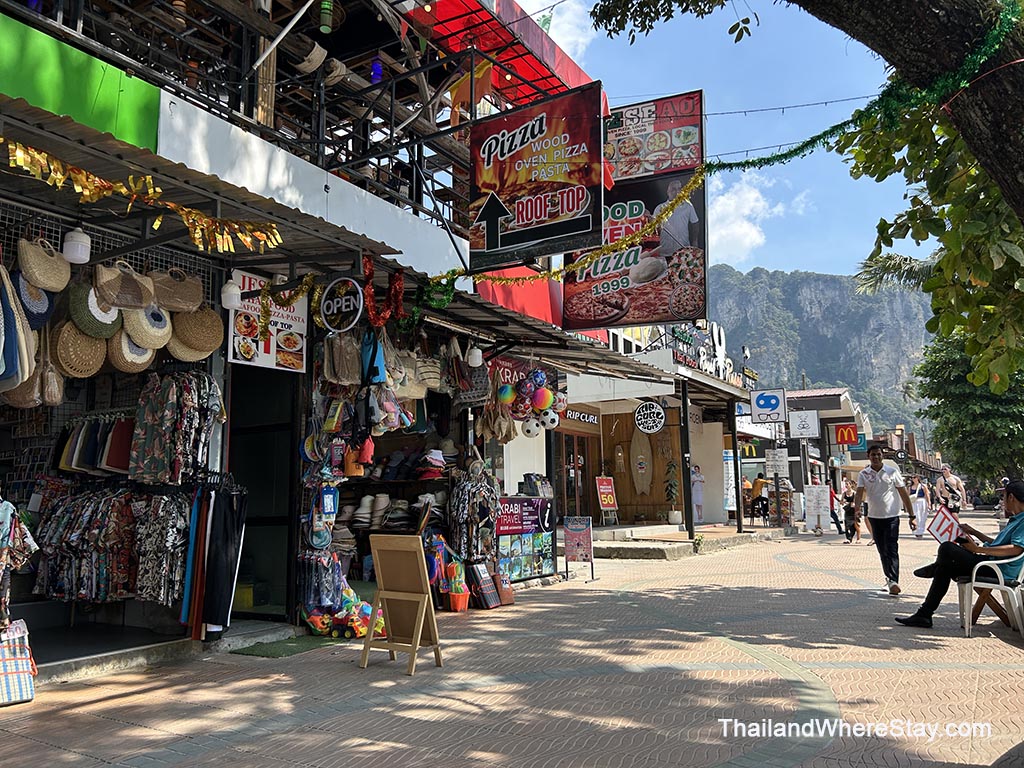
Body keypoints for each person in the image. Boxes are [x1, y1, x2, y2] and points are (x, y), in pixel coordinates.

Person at [896, 479, 1024, 628]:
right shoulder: (1015, 520)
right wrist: (974, 532)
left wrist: (978, 549)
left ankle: (934, 569)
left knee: (947, 548)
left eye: (1003, 497)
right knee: (945, 567)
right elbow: (998, 544)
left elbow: (1016, 549)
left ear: (1011, 497)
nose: (1002, 502)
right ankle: (924, 614)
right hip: (991, 563)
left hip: (998, 570)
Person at [854, 445, 915, 595]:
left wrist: (912, 515)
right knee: (882, 550)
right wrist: (857, 510)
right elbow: (859, 493)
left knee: (892, 548)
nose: (876, 457)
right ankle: (889, 578)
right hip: (875, 517)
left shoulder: (892, 472)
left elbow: (903, 493)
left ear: (883, 456)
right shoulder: (864, 474)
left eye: (879, 454)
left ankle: (894, 580)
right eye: (873, 455)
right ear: (868, 456)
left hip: (892, 516)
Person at [653, 178, 700, 255]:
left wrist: (695, 241)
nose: (677, 191)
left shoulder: (688, 206)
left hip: (683, 251)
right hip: (665, 251)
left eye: (679, 188)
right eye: (673, 189)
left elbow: (695, 223)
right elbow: (655, 229)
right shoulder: (659, 208)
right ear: (668, 192)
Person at [841, 479, 860, 543]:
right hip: (847, 511)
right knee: (847, 525)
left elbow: (856, 502)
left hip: (853, 511)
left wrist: (854, 505)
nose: (846, 486)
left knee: (854, 525)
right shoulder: (844, 493)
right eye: (845, 484)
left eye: (847, 484)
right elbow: (841, 502)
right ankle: (848, 538)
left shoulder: (854, 493)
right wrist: (843, 502)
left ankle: (857, 538)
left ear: (851, 485)